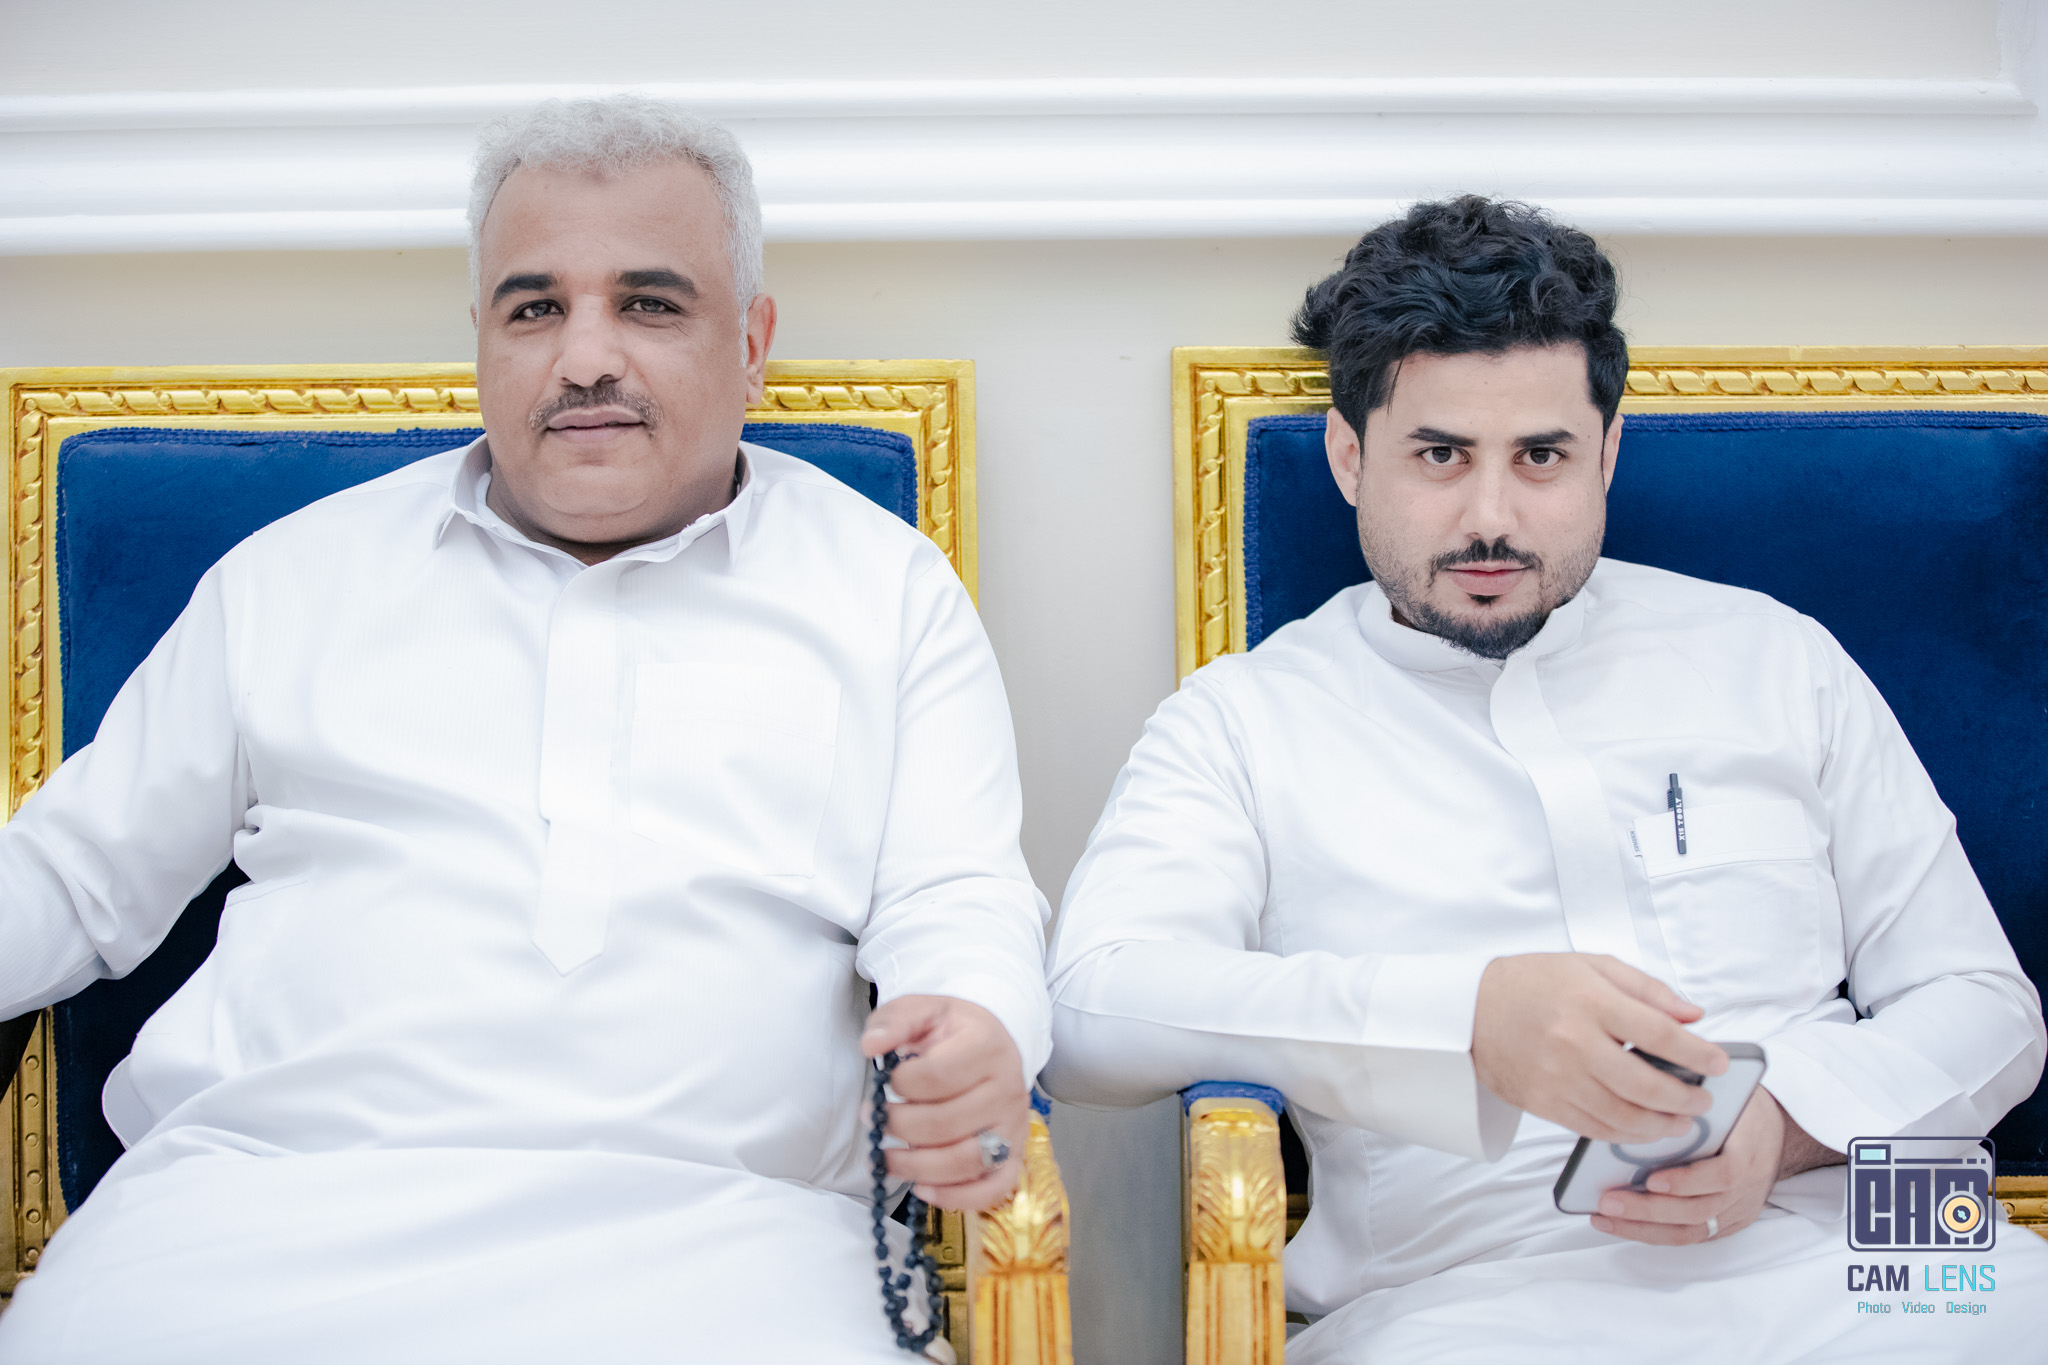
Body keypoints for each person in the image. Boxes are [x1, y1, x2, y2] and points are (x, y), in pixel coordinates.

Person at [0, 95, 1046, 1363]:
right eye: (535, 308)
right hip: (249, 1217)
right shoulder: (293, 578)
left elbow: (956, 895)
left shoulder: (883, 589)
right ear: (483, 342)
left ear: (751, 343)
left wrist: (975, 1028)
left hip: (729, 1243)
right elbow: (69, 876)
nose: (585, 357)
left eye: (648, 304)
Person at [1043, 195, 2048, 1362]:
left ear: (1605, 454)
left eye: (1539, 457)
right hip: (1472, 1305)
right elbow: (1087, 1014)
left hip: (1876, 1264)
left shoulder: (1774, 657)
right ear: (1348, 456)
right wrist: (1465, 1021)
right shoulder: (1242, 723)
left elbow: (1983, 1005)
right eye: (1438, 455)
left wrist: (1784, 1123)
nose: (1490, 519)